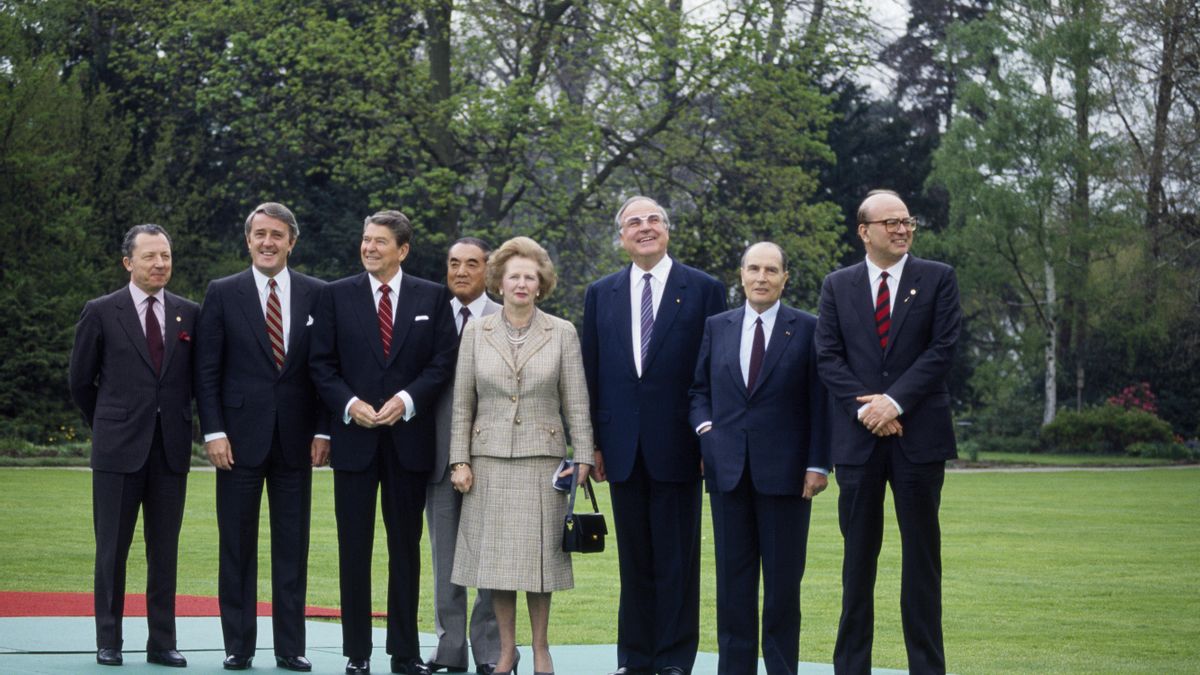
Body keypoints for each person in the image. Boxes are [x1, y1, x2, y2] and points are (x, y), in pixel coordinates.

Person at [814, 190, 962, 675]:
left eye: (908, 222)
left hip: (918, 440)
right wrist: (868, 410)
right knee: (857, 565)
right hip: (858, 444)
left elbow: (942, 350)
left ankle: (927, 667)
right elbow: (829, 357)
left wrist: (893, 403)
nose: (902, 230)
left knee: (922, 563)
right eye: (891, 222)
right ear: (864, 231)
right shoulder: (837, 285)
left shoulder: (938, 278)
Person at [581, 196, 726, 675]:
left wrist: (710, 441)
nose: (644, 228)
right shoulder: (601, 293)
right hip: (620, 449)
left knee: (677, 561)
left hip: (681, 447)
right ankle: (635, 658)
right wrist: (594, 444)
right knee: (634, 561)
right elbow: (592, 373)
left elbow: (715, 372)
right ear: (620, 236)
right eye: (633, 222)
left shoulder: (704, 289)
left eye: (653, 220)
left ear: (668, 230)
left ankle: (674, 659)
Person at [309, 210, 458, 675]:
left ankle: (404, 653)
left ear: (403, 250)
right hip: (354, 443)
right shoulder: (335, 296)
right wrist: (349, 405)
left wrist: (407, 400)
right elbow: (321, 365)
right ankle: (357, 653)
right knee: (354, 549)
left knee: (405, 550)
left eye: (380, 241)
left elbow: (442, 362)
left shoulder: (432, 298)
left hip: (409, 443)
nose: (369, 247)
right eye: (365, 239)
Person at [449, 236, 594, 675]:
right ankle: (507, 651)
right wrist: (460, 459)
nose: (522, 283)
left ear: (541, 283)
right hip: (488, 459)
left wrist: (583, 455)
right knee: (496, 566)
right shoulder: (477, 331)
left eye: (530, 277)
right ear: (499, 281)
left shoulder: (562, 331)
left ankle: (542, 648)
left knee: (538, 564)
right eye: (514, 276)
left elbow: (577, 402)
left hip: (542, 462)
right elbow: (461, 402)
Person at [194, 202, 330, 672]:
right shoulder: (223, 292)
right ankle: (239, 646)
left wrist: (322, 429)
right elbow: (206, 371)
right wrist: (213, 432)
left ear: (292, 241)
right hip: (236, 441)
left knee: (292, 549)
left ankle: (290, 648)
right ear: (248, 240)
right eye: (259, 234)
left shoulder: (318, 294)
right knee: (237, 547)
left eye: (277, 234)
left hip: (297, 442)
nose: (268, 242)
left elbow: (324, 371)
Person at [689, 242, 831, 675]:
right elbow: (699, 392)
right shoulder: (718, 326)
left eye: (772, 270)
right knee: (733, 587)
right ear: (741, 274)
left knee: (784, 587)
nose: (762, 277)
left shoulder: (808, 328)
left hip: (787, 476)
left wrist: (818, 463)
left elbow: (821, 402)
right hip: (727, 472)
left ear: (785, 278)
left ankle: (782, 669)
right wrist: (707, 433)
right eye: (754, 268)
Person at [69, 224, 198, 668]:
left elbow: (197, 381)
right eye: (150, 257)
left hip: (171, 452)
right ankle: (110, 641)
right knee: (112, 551)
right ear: (129, 262)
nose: (160, 264)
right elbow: (80, 382)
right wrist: (107, 424)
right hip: (117, 451)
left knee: (165, 553)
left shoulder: (189, 314)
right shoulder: (101, 311)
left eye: (165, 255)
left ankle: (162, 642)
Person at [426, 238, 502, 675]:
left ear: (487, 271)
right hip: (436, 456)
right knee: (445, 562)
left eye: (471, 264)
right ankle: (449, 650)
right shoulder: (431, 315)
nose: (460, 272)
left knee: (491, 559)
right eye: (453, 263)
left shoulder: (505, 315)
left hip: (492, 459)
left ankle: (489, 650)